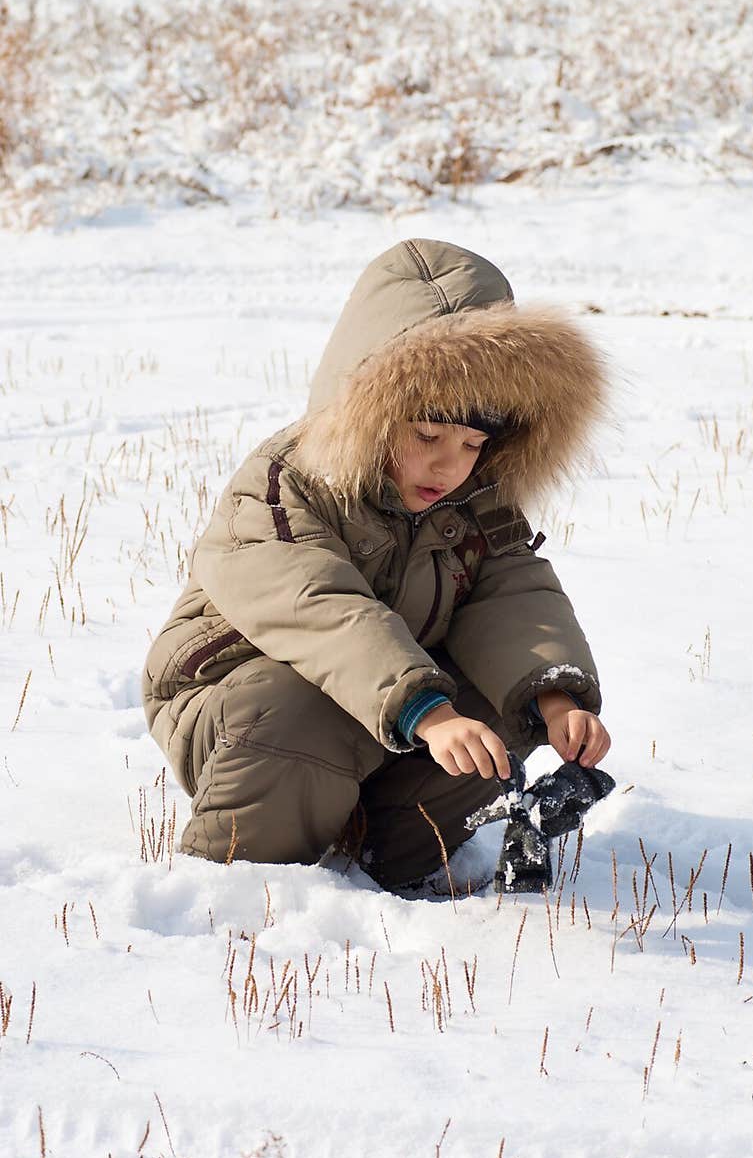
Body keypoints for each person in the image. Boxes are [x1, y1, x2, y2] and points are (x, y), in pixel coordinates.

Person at [141, 238, 612, 890]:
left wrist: (556, 697)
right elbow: (325, 611)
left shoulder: (473, 502)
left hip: (391, 714)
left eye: (474, 443)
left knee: (505, 711)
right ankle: (241, 885)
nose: (451, 465)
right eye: (427, 437)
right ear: (371, 409)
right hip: (237, 706)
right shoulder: (285, 485)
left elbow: (513, 592)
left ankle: (390, 852)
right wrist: (425, 709)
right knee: (308, 708)